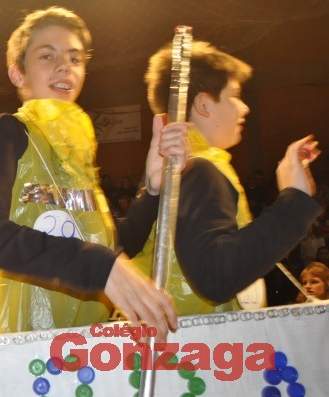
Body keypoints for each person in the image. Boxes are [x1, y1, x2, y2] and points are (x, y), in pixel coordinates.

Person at [0, 6, 187, 340]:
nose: (64, 66)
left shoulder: (79, 147)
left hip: (91, 344)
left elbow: (114, 245)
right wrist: (98, 266)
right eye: (47, 56)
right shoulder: (10, 130)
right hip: (27, 347)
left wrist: (153, 189)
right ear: (17, 73)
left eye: (75, 58)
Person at [132, 41, 322, 315]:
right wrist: (294, 201)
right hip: (199, 338)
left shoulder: (171, 169)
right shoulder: (199, 169)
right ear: (204, 104)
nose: (244, 108)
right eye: (235, 96)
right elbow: (216, 276)